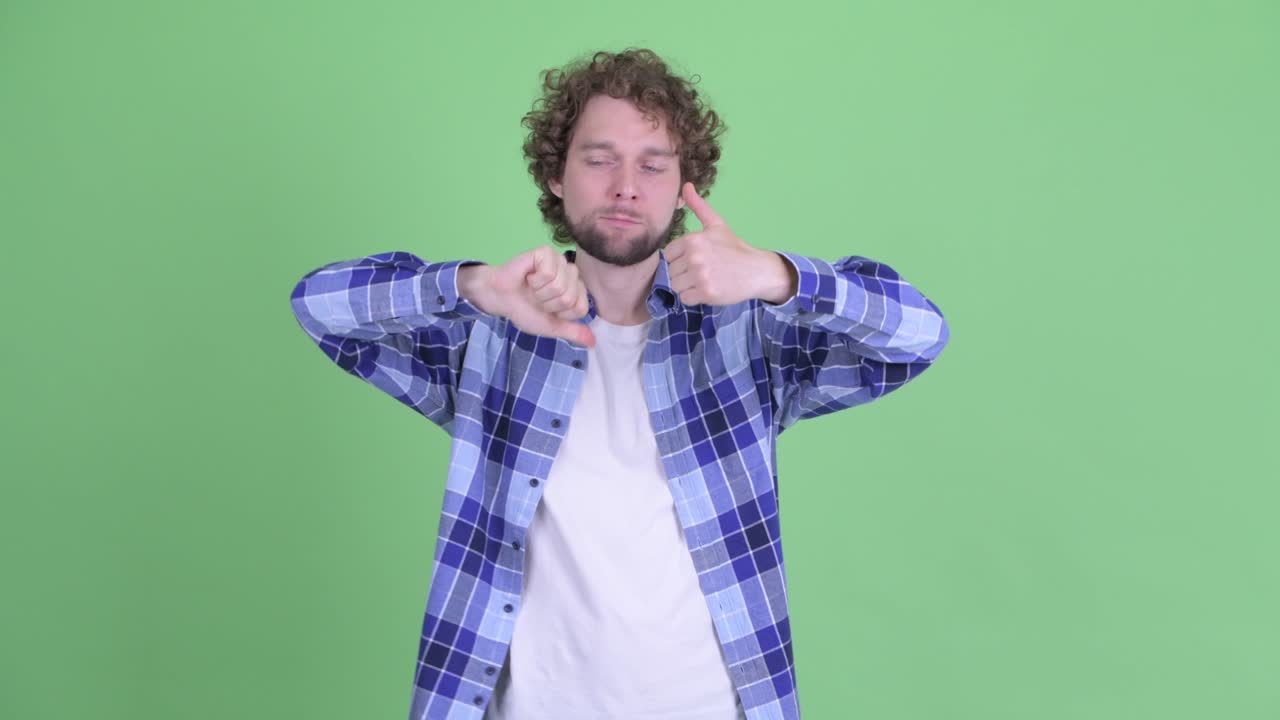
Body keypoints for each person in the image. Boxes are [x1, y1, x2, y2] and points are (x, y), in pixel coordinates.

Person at [290, 48, 949, 720]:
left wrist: (780, 277)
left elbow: (920, 335)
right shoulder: (490, 333)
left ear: (686, 183)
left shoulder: (748, 333)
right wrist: (475, 285)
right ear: (556, 174)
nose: (626, 186)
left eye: (653, 164)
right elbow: (320, 306)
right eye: (599, 159)